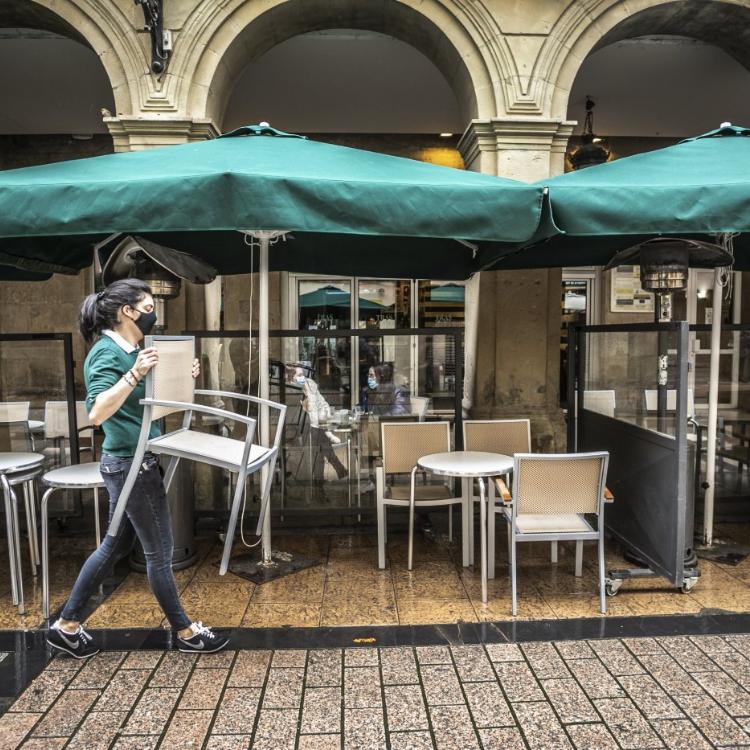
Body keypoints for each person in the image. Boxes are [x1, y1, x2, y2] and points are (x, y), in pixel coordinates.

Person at [46, 279, 229, 659]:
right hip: (132, 463)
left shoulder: (134, 349)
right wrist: (135, 374)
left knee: (115, 544)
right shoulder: (106, 353)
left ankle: (66, 625)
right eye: (148, 305)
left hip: (133, 460)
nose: (153, 312)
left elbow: (152, 402)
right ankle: (186, 631)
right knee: (159, 553)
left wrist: (182, 375)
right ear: (128, 311)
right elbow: (96, 412)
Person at [293, 367, 347, 489]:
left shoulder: (309, 385)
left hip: (315, 425)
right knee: (321, 451)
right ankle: (339, 472)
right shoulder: (293, 390)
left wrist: (325, 418)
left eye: (302, 374)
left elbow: (320, 404)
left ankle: (321, 482)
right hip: (304, 427)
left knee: (321, 452)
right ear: (292, 377)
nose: (301, 377)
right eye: (298, 375)